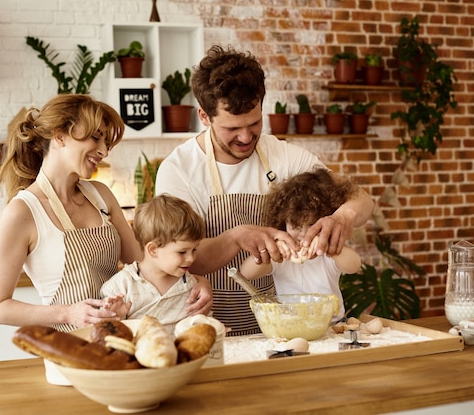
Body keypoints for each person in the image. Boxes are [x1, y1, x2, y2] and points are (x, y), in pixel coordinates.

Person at [155, 45, 374, 335]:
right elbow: (176, 257)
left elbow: (362, 200)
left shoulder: (284, 156)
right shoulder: (179, 170)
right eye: (232, 128)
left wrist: (343, 216)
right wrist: (236, 237)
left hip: (279, 331)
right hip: (209, 327)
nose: (246, 137)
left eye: (254, 123)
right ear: (204, 117)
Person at [0, 94, 211, 333]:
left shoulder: (101, 195)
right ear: (59, 136)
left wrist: (198, 283)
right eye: (95, 138)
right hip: (70, 346)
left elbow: (145, 265)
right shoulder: (22, 212)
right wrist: (68, 312)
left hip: (119, 342)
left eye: (106, 143)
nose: (104, 151)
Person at [238, 167, 363, 322]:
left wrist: (329, 246)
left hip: (331, 326)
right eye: (295, 227)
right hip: (291, 326)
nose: (304, 233)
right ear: (283, 223)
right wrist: (272, 250)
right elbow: (247, 273)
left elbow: (354, 265)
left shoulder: (328, 255)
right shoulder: (281, 257)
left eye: (312, 225)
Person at [100, 194, 210, 334]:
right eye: (182, 252)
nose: (191, 258)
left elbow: (202, 324)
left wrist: (211, 328)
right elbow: (107, 335)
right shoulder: (121, 287)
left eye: (194, 249)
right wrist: (116, 318)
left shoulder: (192, 286)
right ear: (153, 250)